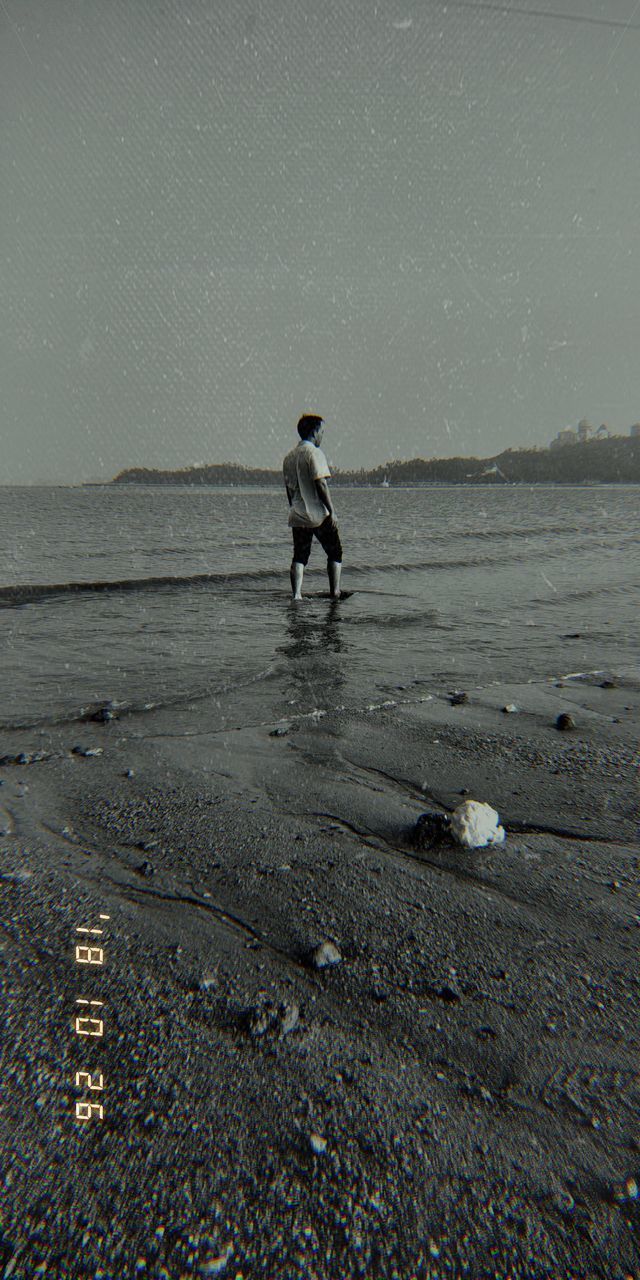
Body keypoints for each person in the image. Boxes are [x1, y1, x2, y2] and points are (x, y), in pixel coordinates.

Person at [282, 414, 343, 600]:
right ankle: (335, 591)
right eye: (322, 432)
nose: (322, 436)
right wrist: (332, 510)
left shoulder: (289, 457)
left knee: (300, 555)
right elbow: (321, 483)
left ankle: (297, 595)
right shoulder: (314, 453)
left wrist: (293, 506)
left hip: (298, 513)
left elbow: (289, 489)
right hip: (317, 514)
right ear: (315, 431)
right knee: (335, 551)